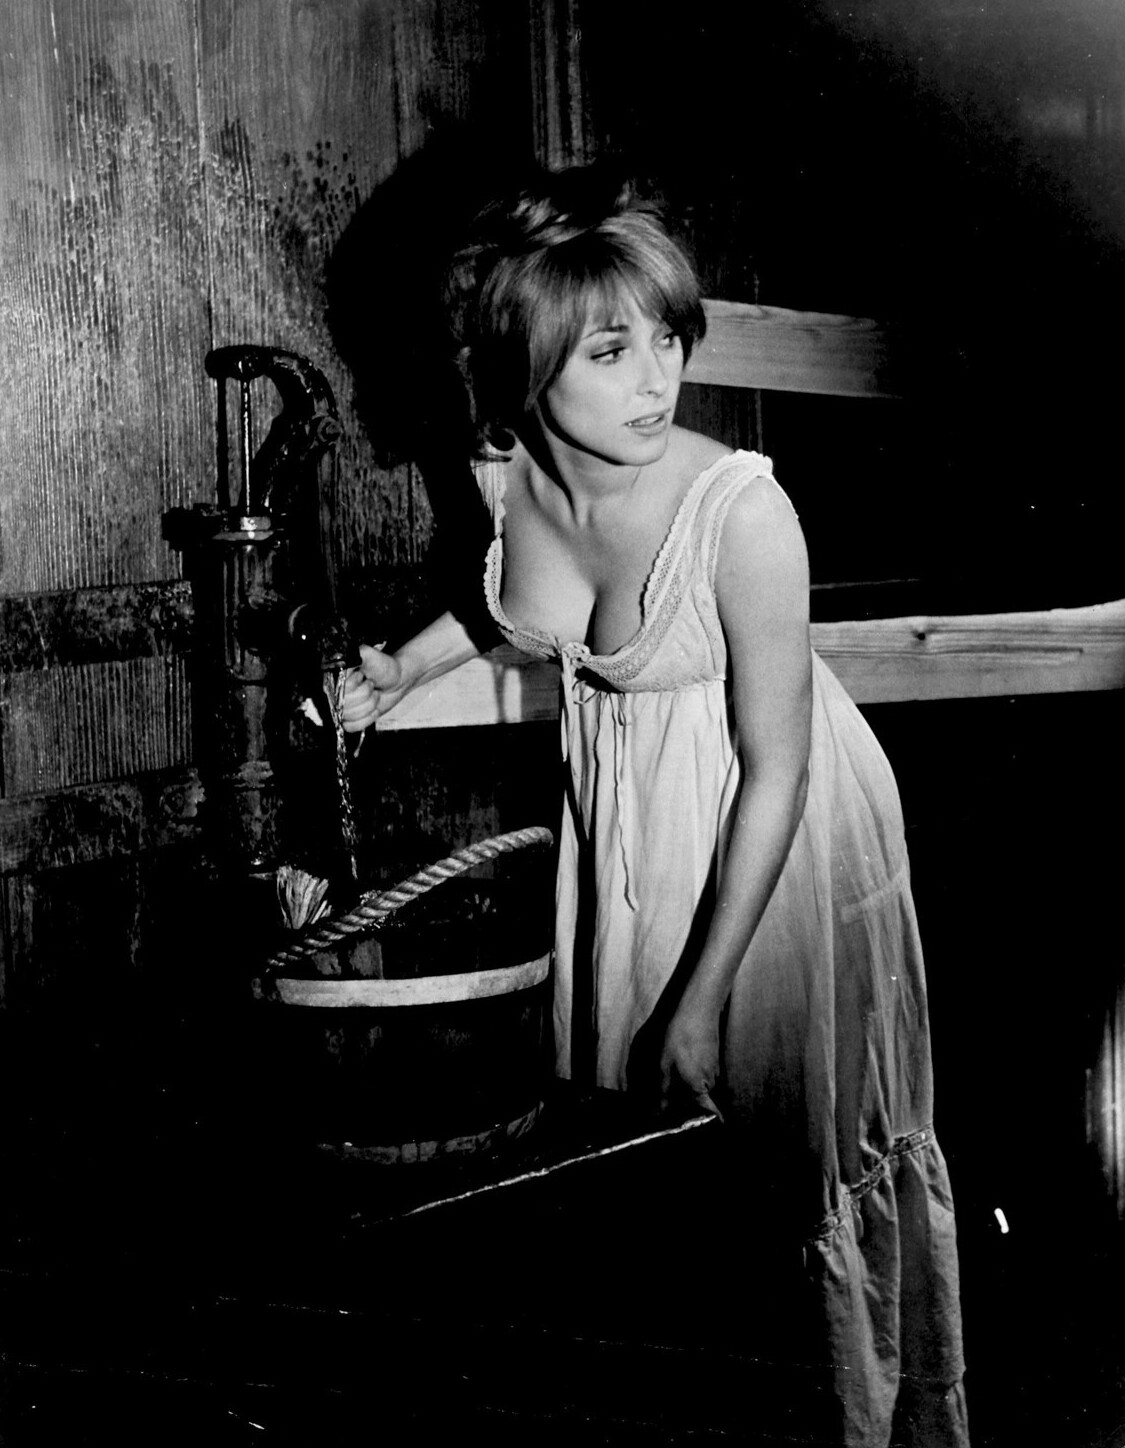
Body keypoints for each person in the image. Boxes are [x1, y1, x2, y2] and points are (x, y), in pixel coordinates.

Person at [342, 166, 969, 1447]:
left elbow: (779, 769)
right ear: (524, 371)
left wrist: (699, 994)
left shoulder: (741, 512)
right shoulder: (504, 473)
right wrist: (403, 666)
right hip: (626, 826)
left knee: (793, 1155)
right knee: (662, 1172)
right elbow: (513, 605)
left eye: (666, 339)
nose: (655, 381)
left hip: (773, 837)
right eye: (610, 350)